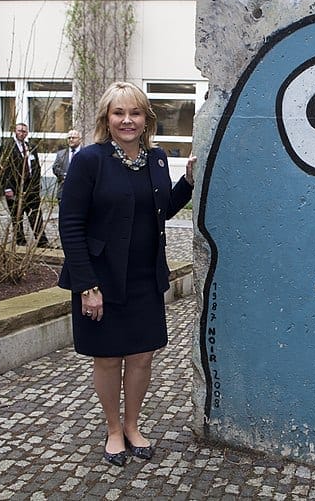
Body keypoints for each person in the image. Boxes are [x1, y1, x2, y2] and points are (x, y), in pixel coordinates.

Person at [58, 82, 196, 467]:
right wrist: (86, 285)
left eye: (135, 113)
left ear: (146, 118)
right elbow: (70, 224)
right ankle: (113, 430)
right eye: (119, 113)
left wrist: (186, 182)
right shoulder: (89, 160)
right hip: (101, 278)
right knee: (107, 359)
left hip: (144, 275)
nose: (127, 120)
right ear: (107, 118)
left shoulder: (155, 159)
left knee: (142, 357)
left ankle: (133, 426)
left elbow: (161, 209)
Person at [0, 122, 50, 247]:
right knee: (17, 217)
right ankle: (20, 241)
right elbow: (2, 168)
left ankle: (42, 241)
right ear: (15, 131)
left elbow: (36, 167)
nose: (22, 133)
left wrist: (37, 185)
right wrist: (7, 188)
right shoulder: (7, 146)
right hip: (15, 188)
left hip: (31, 188)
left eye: (25, 131)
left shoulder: (30, 146)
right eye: (20, 131)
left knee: (36, 215)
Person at [51, 129, 82, 201]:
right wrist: (64, 176)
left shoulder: (86, 153)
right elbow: (55, 168)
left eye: (73, 138)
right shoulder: (61, 154)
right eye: (69, 138)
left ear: (80, 139)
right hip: (63, 191)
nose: (71, 139)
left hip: (81, 192)